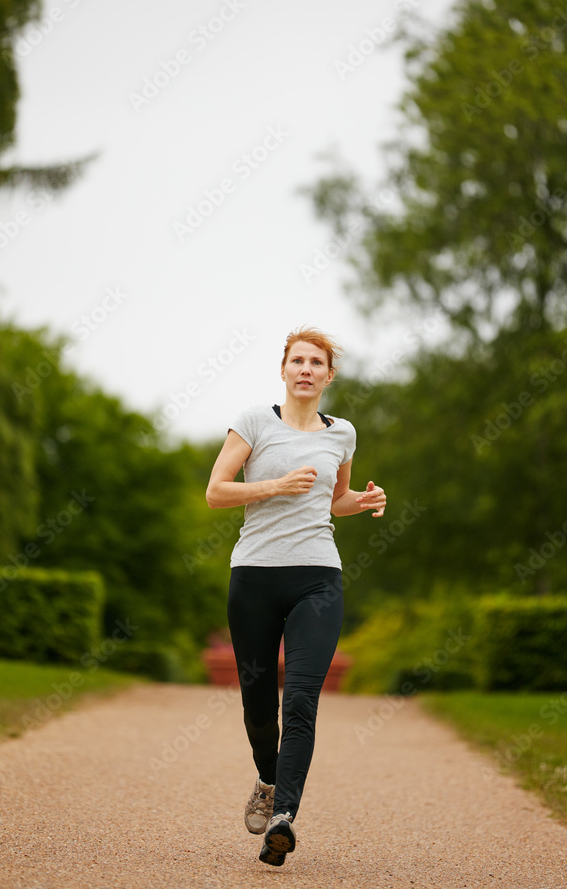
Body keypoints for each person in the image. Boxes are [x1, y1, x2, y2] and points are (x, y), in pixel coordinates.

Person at [206, 326, 386, 866]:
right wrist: (273, 487)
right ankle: (266, 777)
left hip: (317, 579)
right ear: (283, 370)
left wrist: (365, 500)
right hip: (255, 578)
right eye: (298, 361)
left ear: (329, 376)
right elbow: (216, 491)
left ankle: (283, 815)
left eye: (317, 363)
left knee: (302, 700)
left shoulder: (343, 434)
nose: (306, 369)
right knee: (259, 709)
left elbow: (335, 501)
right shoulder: (255, 421)